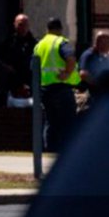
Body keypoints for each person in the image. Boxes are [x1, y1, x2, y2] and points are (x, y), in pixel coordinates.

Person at [33, 17, 79, 152]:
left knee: (50, 121)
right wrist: (67, 73)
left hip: (45, 89)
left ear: (47, 29)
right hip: (62, 88)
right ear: (60, 29)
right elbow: (70, 58)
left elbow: (33, 66)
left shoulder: (39, 45)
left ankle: (50, 150)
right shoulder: (61, 42)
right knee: (68, 121)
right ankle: (67, 151)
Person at [0, 14, 38, 99]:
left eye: (25, 25)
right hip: (13, 81)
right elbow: (2, 59)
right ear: (15, 25)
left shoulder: (34, 43)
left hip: (29, 80)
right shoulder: (9, 42)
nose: (23, 28)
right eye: (20, 25)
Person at [76, 31, 109, 114]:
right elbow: (83, 74)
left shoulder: (101, 56)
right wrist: (97, 84)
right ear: (101, 43)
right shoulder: (89, 55)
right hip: (90, 97)